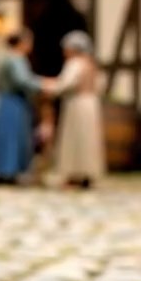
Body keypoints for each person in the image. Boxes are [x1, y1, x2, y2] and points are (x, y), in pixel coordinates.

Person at [43, 30, 105, 188]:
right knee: (88, 139)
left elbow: (66, 83)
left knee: (76, 139)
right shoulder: (91, 63)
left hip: (77, 103)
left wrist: (50, 87)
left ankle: (75, 174)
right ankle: (87, 174)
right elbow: (100, 86)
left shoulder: (75, 63)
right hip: (91, 104)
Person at [0, 29, 43, 185]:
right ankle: (9, 171)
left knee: (4, 136)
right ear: (22, 43)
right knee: (13, 137)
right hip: (15, 101)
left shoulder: (1, 57)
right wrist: (42, 85)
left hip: (3, 100)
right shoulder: (16, 59)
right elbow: (23, 81)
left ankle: (1, 170)